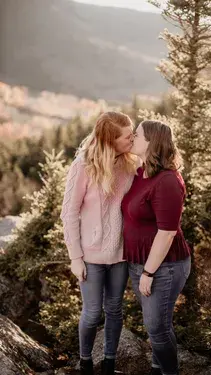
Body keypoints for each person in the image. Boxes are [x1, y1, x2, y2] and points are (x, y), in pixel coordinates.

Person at [60, 111, 137, 375]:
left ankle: (109, 364)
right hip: (90, 257)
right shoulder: (83, 165)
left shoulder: (131, 164)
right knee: (92, 313)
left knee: (115, 310)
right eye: (128, 136)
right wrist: (75, 257)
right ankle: (85, 364)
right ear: (110, 140)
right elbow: (68, 212)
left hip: (120, 254)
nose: (133, 139)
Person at [121, 120, 191, 375]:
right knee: (158, 323)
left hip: (165, 265)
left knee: (156, 327)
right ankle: (157, 368)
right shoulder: (141, 173)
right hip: (139, 262)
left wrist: (149, 273)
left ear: (151, 141)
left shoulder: (168, 181)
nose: (132, 138)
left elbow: (168, 232)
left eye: (136, 135)